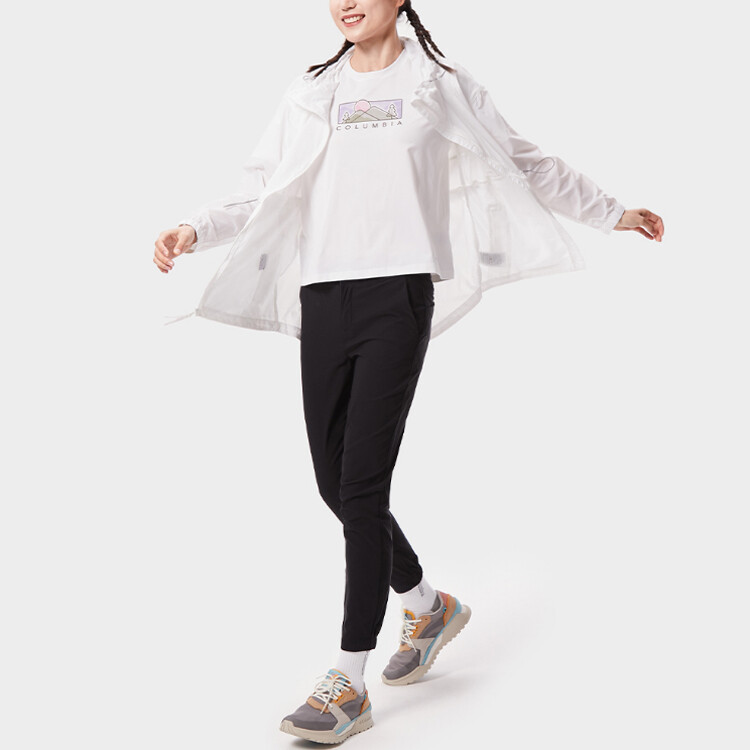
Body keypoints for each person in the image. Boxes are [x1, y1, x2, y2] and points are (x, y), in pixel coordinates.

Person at [153, 0, 665, 744]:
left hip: (396, 296)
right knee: (333, 485)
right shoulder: (312, 91)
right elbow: (261, 184)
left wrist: (614, 211)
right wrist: (194, 227)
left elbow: (526, 161)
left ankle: (348, 681)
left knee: (361, 489)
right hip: (323, 297)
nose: (347, 3)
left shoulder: (437, 84)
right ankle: (427, 605)